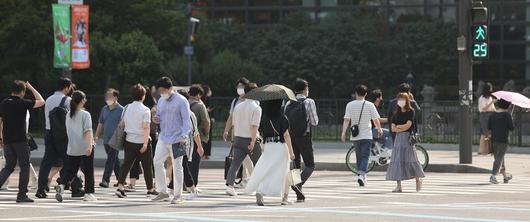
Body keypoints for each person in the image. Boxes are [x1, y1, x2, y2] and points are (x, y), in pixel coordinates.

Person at [36, 78, 83, 199]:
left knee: (46, 163)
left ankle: (41, 189)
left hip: (49, 133)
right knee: (70, 162)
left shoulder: (49, 99)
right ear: (66, 87)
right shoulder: (68, 100)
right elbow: (74, 118)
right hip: (63, 135)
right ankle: (76, 188)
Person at [0, 80, 45, 202]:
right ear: (22, 92)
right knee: (24, 166)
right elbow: (41, 101)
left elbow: (1, 121)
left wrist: (1, 137)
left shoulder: (4, 103)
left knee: (8, 166)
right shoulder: (22, 103)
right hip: (20, 139)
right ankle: (21, 195)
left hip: (7, 139)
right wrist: (31, 87)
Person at [244, 99, 296, 206]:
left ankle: (261, 190)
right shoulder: (282, 117)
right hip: (281, 147)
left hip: (269, 146)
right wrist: (291, 152)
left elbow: (261, 133)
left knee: (268, 170)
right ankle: (285, 198)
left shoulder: (264, 118)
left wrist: (264, 147)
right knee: (285, 172)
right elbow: (286, 135)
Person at [152, 77, 191, 204]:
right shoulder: (161, 101)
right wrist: (156, 118)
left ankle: (178, 195)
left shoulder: (182, 100)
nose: (161, 93)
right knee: (157, 162)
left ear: (170, 88)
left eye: (163, 90)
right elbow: (159, 115)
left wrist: (184, 136)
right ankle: (163, 192)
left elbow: (186, 120)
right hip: (163, 137)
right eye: (160, 91)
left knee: (177, 166)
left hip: (178, 138)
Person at [115, 84, 157, 198]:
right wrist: (145, 143)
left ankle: (120, 187)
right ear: (143, 96)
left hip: (129, 140)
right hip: (142, 140)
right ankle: (150, 188)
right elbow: (146, 127)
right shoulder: (145, 110)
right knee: (147, 166)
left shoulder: (126, 107)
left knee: (126, 165)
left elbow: (122, 124)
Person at [55, 90, 97, 202]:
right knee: (88, 171)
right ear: (82, 101)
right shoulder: (85, 114)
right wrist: (89, 146)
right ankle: (88, 193)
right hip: (84, 146)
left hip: (72, 147)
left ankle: (62, 185)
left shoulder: (68, 114)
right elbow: (88, 131)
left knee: (71, 170)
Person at [341, 85, 383, 187]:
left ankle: (362, 176)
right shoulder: (369, 105)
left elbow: (346, 120)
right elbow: (375, 119)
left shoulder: (350, 105)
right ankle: (361, 175)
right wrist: (379, 128)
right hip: (367, 135)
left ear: (356, 93)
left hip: (355, 136)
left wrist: (343, 133)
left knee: (359, 156)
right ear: (366, 94)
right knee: (365, 156)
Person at [284, 78, 318, 202]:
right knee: (310, 165)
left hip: (291, 137)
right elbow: (315, 122)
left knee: (296, 166)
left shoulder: (288, 103)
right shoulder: (309, 102)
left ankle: (299, 195)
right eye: (307, 88)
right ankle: (297, 184)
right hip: (304, 136)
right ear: (305, 89)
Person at [225, 83, 263, 196]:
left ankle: (229, 186)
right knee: (258, 163)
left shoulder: (238, 106)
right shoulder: (256, 108)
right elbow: (254, 126)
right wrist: (252, 141)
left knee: (235, 164)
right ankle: (257, 187)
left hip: (238, 138)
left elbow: (234, 123)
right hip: (250, 139)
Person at [385, 93, 425, 193]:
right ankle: (399, 186)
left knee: (411, 159)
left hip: (407, 139)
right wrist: (400, 128)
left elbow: (408, 125)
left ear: (407, 100)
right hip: (398, 139)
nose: (400, 101)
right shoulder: (396, 113)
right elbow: (393, 128)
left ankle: (417, 179)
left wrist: (399, 127)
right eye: (399, 99)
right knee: (397, 161)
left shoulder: (411, 111)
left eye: (402, 99)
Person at [223, 78, 255, 187]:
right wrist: (226, 130)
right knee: (242, 160)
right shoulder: (236, 101)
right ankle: (247, 180)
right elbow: (231, 118)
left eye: (242, 86)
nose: (239, 89)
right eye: (238, 86)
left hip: (249, 136)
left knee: (245, 160)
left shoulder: (253, 102)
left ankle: (251, 180)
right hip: (238, 135)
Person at [176, 89, 203, 200]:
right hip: (175, 143)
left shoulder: (190, 114)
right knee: (178, 166)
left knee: (182, 167)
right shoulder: (176, 112)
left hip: (186, 144)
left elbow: (195, 132)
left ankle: (192, 189)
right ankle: (173, 189)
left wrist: (199, 146)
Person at [95, 88, 124, 188]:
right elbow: (100, 123)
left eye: (110, 96)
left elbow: (124, 124)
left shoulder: (122, 110)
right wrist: (96, 135)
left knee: (110, 159)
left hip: (116, 138)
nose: (107, 98)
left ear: (115, 97)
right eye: (106, 96)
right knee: (114, 159)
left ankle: (105, 180)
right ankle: (121, 180)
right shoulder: (104, 109)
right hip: (106, 139)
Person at [188, 85, 210, 189]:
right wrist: (206, 133)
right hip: (198, 136)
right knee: (195, 162)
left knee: (185, 162)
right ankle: (193, 184)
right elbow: (206, 121)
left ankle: (184, 184)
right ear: (198, 95)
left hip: (184, 136)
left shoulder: (184, 103)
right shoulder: (200, 105)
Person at [488, 99, 514, 184]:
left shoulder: (492, 115)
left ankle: (505, 177)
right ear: (507, 106)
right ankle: (493, 176)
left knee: (499, 158)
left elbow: (489, 127)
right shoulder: (507, 115)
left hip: (494, 140)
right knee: (499, 158)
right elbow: (512, 128)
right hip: (503, 140)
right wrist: (511, 119)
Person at [478, 82, 496, 155]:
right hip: (484, 115)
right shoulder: (482, 98)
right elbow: (483, 109)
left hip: (491, 114)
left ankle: (488, 150)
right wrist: (491, 102)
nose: (492, 89)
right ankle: (482, 150)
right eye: (490, 87)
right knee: (485, 132)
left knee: (490, 132)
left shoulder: (490, 97)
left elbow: (493, 108)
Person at [202, 84, 214, 160]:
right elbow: (211, 108)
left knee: (203, 137)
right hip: (207, 120)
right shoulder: (208, 99)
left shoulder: (201, 99)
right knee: (207, 137)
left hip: (203, 120)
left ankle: (203, 153)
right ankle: (206, 154)